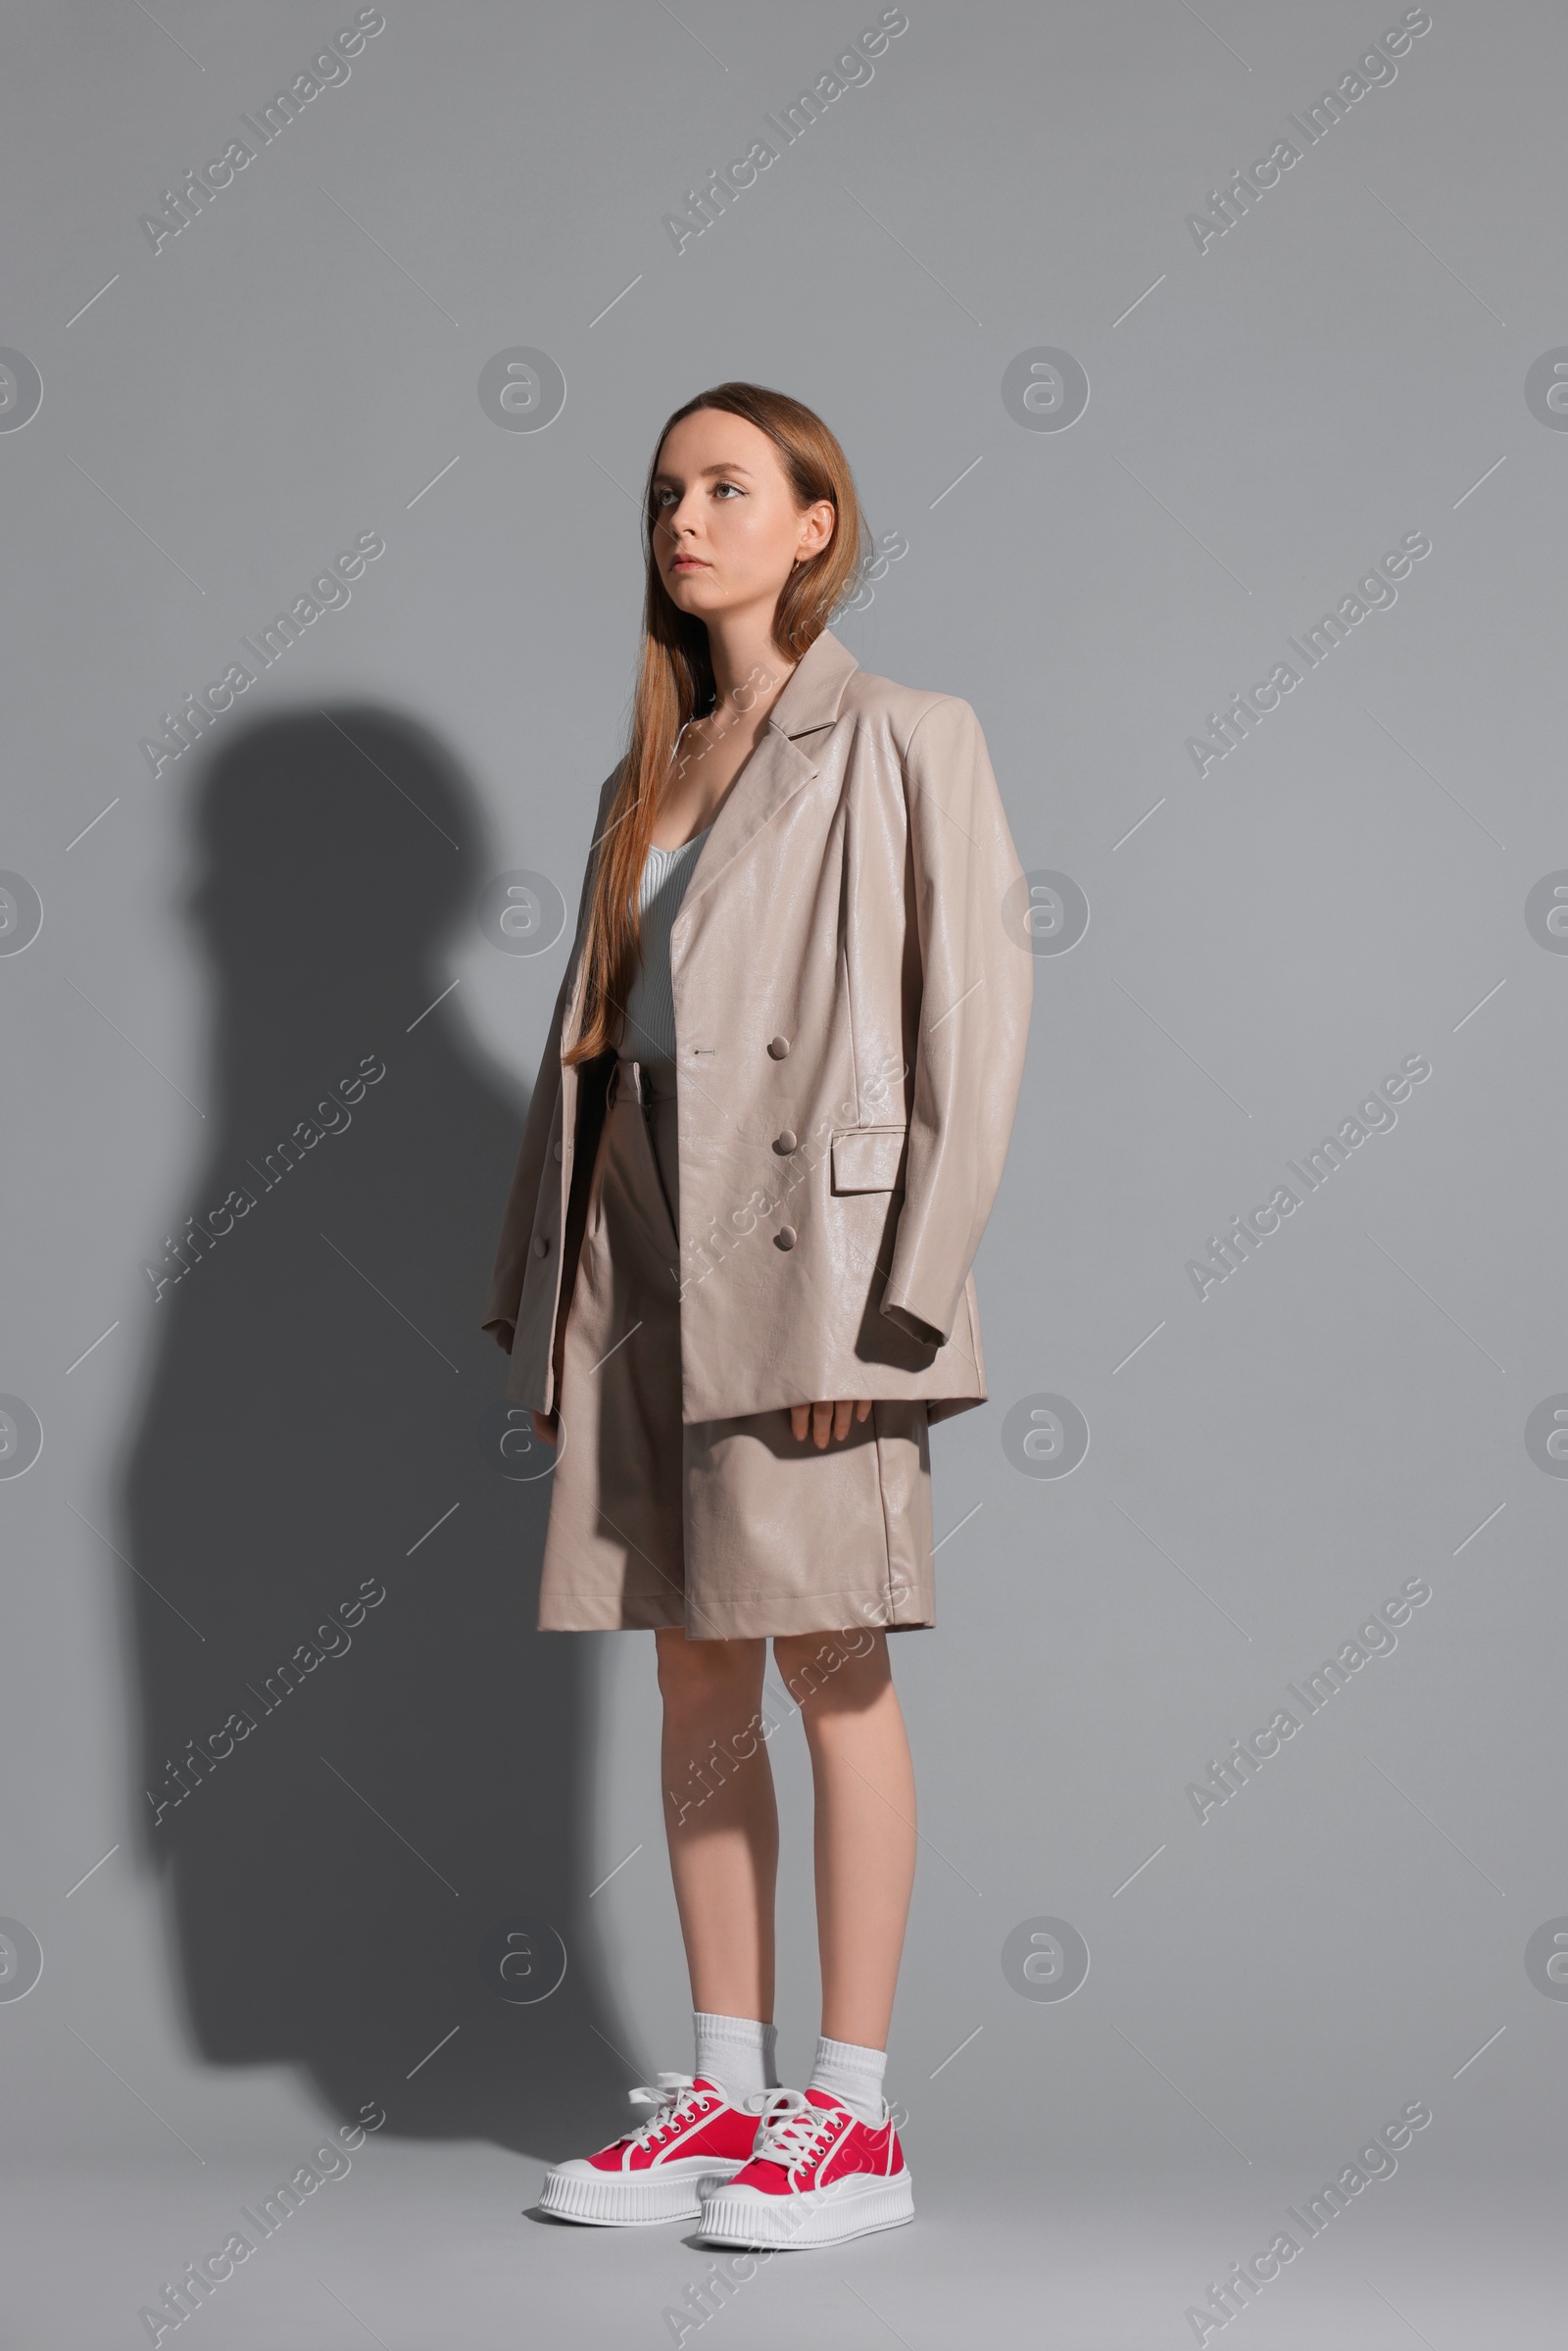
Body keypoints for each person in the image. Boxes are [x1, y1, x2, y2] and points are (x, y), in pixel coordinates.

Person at [481, 381, 1031, 2249]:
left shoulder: (905, 736)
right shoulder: (652, 774)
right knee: (690, 1661)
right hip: (638, 1247)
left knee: (829, 1660)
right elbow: (588, 1058)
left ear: (816, 522)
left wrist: (890, 1318)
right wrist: (550, 1293)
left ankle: (852, 2121)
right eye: (665, 493)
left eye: (728, 486)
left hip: (808, 1264)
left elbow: (975, 1034)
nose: (685, 518)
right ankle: (724, 2099)